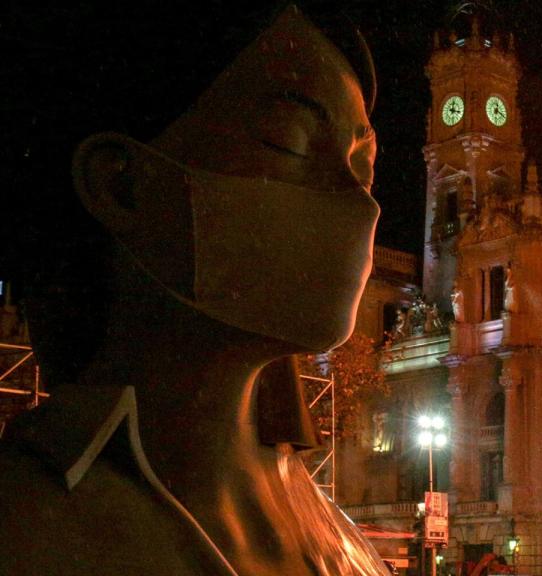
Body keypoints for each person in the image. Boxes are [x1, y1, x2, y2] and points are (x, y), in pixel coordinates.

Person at [0, 2, 389, 574]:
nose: (361, 202)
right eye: (290, 142)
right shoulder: (24, 526)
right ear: (122, 185)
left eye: (363, 164)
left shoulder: (344, 541)